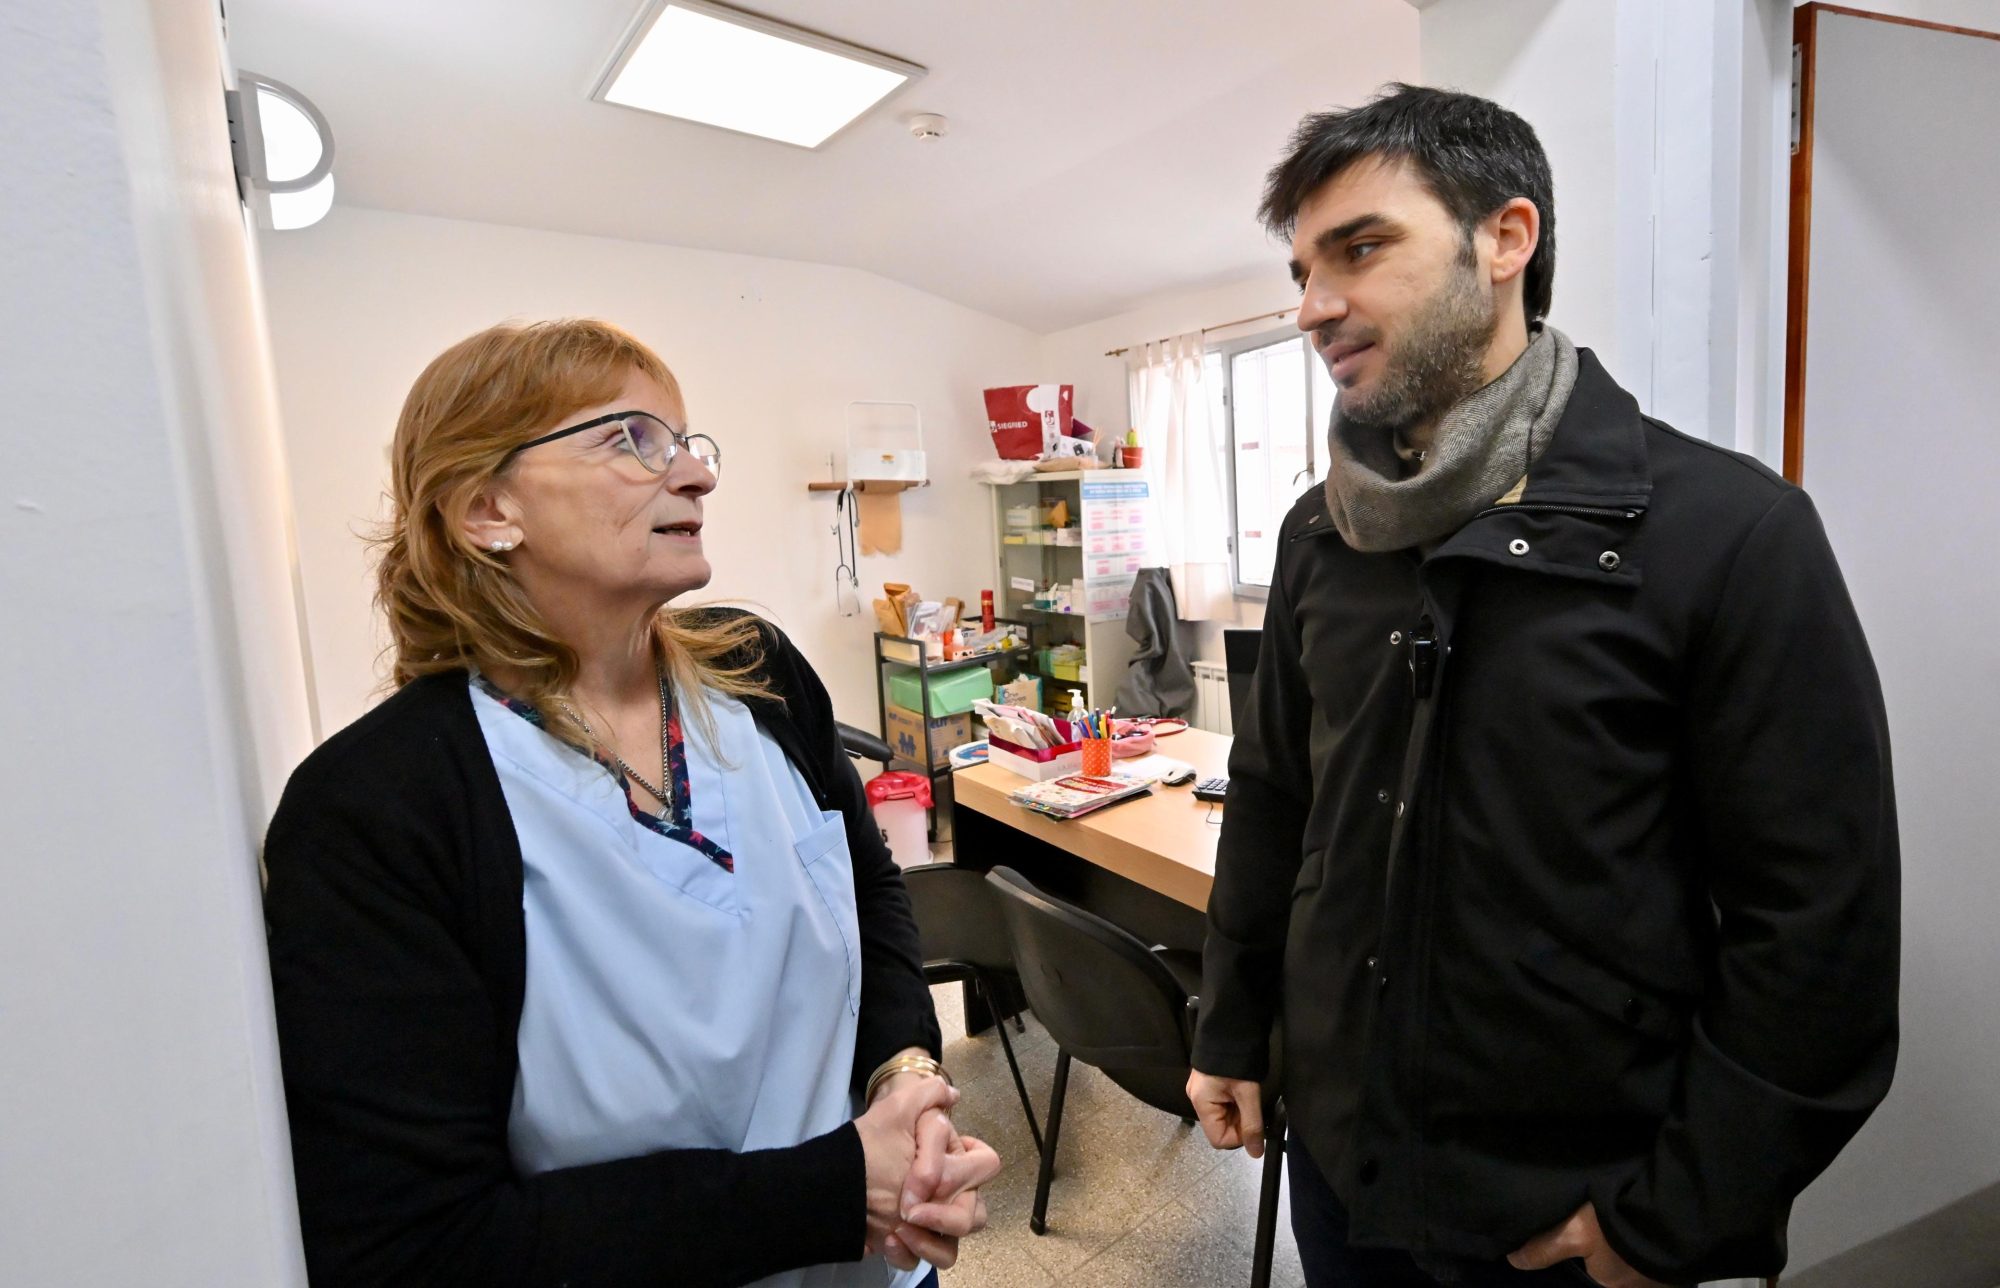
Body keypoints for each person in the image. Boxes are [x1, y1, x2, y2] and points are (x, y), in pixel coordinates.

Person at [1185, 85, 1898, 1288]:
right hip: (1343, 1177)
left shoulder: (1727, 535)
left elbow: (1815, 930)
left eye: (1359, 248)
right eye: (1302, 267)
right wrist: (1230, 1029)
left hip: (1563, 1221)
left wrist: (1666, 1218)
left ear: (1504, 239)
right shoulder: (1322, 533)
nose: (1313, 307)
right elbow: (1271, 801)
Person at [263, 319, 1000, 1286]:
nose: (696, 475)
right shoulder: (380, 810)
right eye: (631, 439)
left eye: (689, 443)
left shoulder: (758, 673)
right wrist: (832, 1190)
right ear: (487, 507)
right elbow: (417, 1248)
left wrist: (904, 1077)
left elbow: (870, 896)